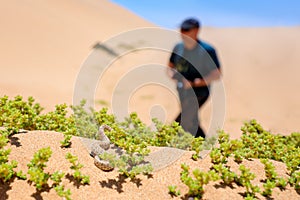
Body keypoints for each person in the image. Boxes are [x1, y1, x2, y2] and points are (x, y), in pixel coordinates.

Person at [167, 17, 221, 138]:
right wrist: (174, 75)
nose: (182, 32)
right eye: (181, 29)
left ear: (196, 31)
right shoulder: (178, 47)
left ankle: (167, 139)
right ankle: (204, 147)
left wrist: (195, 83)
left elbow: (217, 74)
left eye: (186, 29)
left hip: (200, 92)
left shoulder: (207, 50)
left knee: (183, 119)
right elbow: (170, 67)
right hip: (182, 91)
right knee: (192, 120)